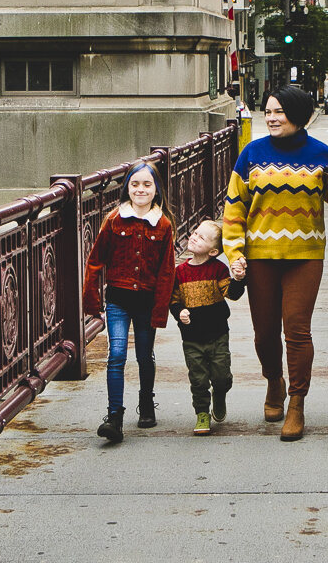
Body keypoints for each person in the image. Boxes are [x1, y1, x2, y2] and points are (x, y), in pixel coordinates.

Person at [222, 85, 328, 441]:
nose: (271, 117)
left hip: (305, 256)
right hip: (260, 258)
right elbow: (234, 209)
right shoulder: (250, 154)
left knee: (297, 331)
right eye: (267, 111)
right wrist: (235, 254)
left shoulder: (322, 155)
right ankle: (274, 381)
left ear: (298, 115)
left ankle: (297, 402)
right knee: (264, 334)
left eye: (278, 111)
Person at [82, 162, 176, 444]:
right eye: (135, 184)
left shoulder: (163, 224)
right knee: (117, 353)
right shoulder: (114, 220)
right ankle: (114, 417)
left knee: (144, 356)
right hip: (118, 300)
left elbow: (167, 270)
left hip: (146, 301)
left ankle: (146, 403)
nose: (140, 190)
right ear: (126, 188)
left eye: (147, 184)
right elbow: (96, 260)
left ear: (156, 189)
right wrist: (92, 298)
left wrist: (160, 310)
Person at [170, 219, 246, 435]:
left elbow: (231, 293)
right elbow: (174, 299)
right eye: (194, 233)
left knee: (221, 377)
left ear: (213, 251)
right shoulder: (180, 272)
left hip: (218, 334)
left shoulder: (218, 270)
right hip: (192, 337)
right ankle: (202, 413)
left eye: (201, 237)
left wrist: (239, 279)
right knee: (198, 378)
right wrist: (179, 312)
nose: (194, 237)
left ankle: (220, 394)